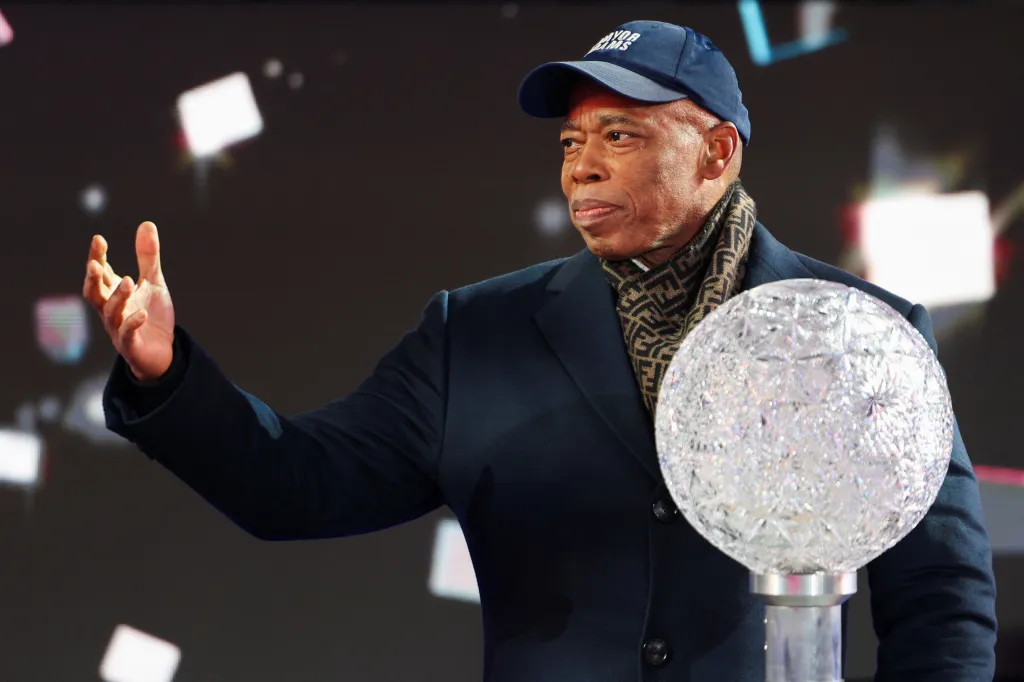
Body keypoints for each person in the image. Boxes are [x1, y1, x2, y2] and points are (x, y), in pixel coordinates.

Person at [82, 20, 997, 682]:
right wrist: (165, 375)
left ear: (718, 152)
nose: (580, 167)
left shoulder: (859, 335)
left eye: (621, 136)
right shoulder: (474, 334)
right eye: (572, 141)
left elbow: (942, 606)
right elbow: (293, 487)